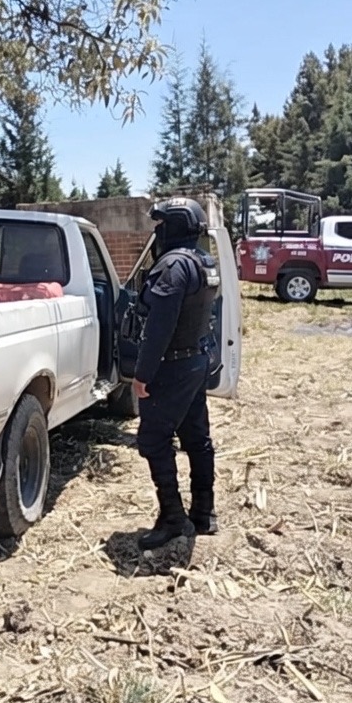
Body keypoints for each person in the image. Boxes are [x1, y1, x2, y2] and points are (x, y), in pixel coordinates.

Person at [130, 197, 222, 550]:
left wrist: (142, 374)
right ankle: (203, 512)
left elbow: (159, 328)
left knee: (153, 440)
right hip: (197, 359)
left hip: (172, 365)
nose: (157, 230)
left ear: (175, 226)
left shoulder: (173, 266)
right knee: (196, 437)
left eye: (162, 224)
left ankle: (172, 518)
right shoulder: (204, 261)